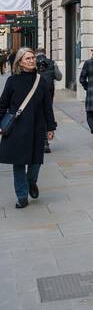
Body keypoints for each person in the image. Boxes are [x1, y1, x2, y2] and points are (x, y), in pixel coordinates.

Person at [0, 47, 56, 208]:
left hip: (37, 128)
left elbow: (47, 107)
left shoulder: (41, 81)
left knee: (36, 162)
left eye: (32, 58)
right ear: (20, 62)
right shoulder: (12, 81)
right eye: (28, 58)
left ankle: (31, 181)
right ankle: (22, 196)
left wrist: (50, 128)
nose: (32, 61)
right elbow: (2, 105)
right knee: (18, 164)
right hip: (17, 129)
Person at [35, 49, 62, 154]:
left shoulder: (33, 62)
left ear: (36, 54)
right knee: (46, 114)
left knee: (37, 115)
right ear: (45, 53)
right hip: (48, 93)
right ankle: (45, 142)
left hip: (35, 93)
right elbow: (59, 77)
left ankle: (39, 141)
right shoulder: (51, 62)